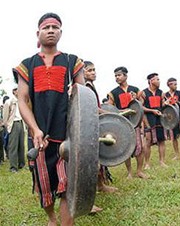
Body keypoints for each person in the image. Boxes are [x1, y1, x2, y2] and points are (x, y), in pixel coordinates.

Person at [15, 12, 85, 226]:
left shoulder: (72, 61)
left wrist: (76, 89)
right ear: (38, 33)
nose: (51, 30)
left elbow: (83, 98)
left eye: (55, 27)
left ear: (61, 32)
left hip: (66, 135)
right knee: (44, 186)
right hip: (40, 138)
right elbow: (22, 99)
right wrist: (35, 129)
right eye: (47, 28)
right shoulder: (27, 64)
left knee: (67, 185)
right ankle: (52, 219)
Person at [83, 61, 118, 214]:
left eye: (94, 70)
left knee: (98, 159)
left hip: (95, 126)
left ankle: (100, 185)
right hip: (87, 128)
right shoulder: (85, 87)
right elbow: (91, 109)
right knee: (90, 165)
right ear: (82, 72)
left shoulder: (90, 85)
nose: (93, 73)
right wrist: (109, 114)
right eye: (89, 70)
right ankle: (86, 201)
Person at [107, 66, 148, 179]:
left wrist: (136, 99)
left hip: (135, 121)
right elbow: (110, 108)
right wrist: (122, 111)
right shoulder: (113, 92)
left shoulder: (135, 89)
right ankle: (129, 172)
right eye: (115, 76)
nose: (117, 77)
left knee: (141, 146)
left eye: (119, 75)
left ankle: (139, 171)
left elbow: (142, 102)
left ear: (125, 76)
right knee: (125, 147)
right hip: (123, 122)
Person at [141, 73, 167, 169]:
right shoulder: (143, 93)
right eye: (157, 79)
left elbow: (162, 105)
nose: (159, 81)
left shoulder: (161, 93)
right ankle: (147, 163)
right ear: (151, 81)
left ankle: (162, 161)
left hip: (160, 120)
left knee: (162, 141)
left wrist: (166, 103)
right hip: (149, 120)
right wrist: (152, 110)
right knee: (148, 142)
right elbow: (141, 107)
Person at [164, 78, 180, 161]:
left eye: (176, 84)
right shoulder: (165, 95)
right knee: (174, 138)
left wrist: (177, 101)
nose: (176, 85)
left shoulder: (179, 93)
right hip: (171, 119)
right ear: (169, 84)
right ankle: (176, 155)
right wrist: (166, 103)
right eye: (174, 84)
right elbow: (163, 106)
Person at [3, 87, 25, 172]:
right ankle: (13, 167)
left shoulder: (21, 101)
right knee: (13, 146)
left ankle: (21, 164)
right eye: (17, 90)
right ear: (14, 92)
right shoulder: (9, 102)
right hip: (13, 123)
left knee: (21, 145)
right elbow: (5, 116)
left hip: (20, 122)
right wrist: (7, 126)